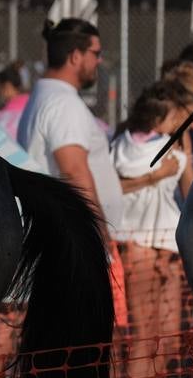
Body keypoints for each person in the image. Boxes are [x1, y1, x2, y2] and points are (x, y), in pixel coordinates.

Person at [110, 81, 193, 378]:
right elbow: (189, 188)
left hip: (157, 244)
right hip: (147, 246)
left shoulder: (126, 145)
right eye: (178, 115)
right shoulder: (149, 150)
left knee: (168, 340)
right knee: (148, 338)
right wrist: (157, 174)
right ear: (161, 117)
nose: (184, 120)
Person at [17, 18, 124, 239]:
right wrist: (100, 238)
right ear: (75, 56)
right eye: (96, 53)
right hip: (72, 236)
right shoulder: (63, 102)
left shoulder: (46, 95)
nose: (99, 60)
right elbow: (74, 171)